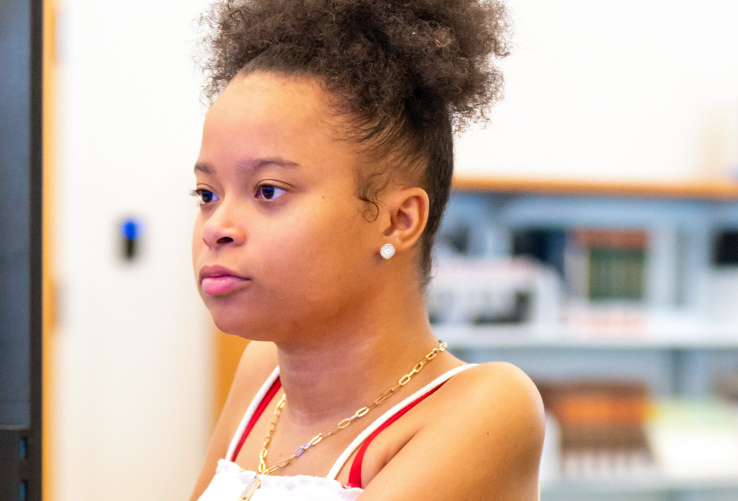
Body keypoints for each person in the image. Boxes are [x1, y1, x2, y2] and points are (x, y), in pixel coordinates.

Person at [187, 1, 543, 499]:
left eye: (268, 190)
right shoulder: (262, 375)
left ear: (399, 221)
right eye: (207, 194)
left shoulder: (485, 406)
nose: (216, 227)